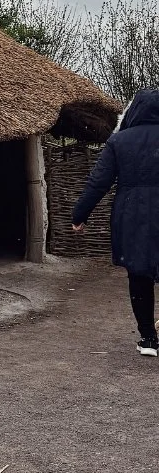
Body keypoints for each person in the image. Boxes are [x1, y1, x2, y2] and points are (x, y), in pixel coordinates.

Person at [72, 89, 159, 357]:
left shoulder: (119, 142)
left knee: (138, 273)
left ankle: (148, 339)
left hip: (132, 216)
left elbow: (98, 181)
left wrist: (80, 215)